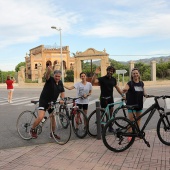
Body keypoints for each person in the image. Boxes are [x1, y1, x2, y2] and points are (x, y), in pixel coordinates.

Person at [30, 66, 65, 139]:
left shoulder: (60, 82)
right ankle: (32, 129)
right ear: (53, 75)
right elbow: (47, 76)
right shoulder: (50, 80)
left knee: (53, 119)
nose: (57, 78)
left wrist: (62, 99)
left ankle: (52, 133)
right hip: (44, 101)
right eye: (56, 76)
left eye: (59, 76)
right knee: (40, 116)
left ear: (60, 76)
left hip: (52, 103)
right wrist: (48, 71)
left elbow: (62, 92)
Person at [91, 66, 124, 132]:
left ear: (113, 72)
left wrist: (122, 95)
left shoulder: (113, 79)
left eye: (111, 71)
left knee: (111, 112)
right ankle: (102, 127)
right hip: (103, 98)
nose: (110, 72)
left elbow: (117, 88)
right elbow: (93, 82)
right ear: (107, 71)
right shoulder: (102, 79)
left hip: (110, 98)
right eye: (109, 70)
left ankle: (110, 126)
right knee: (103, 113)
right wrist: (95, 74)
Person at [123, 68, 147, 141]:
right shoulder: (130, 83)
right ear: (132, 75)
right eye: (134, 73)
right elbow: (125, 89)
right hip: (131, 105)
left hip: (139, 104)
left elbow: (144, 92)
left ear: (139, 74)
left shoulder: (141, 83)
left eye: (136, 73)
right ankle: (129, 134)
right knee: (131, 121)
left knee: (138, 119)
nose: (135, 74)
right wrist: (124, 91)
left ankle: (137, 132)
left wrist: (146, 95)